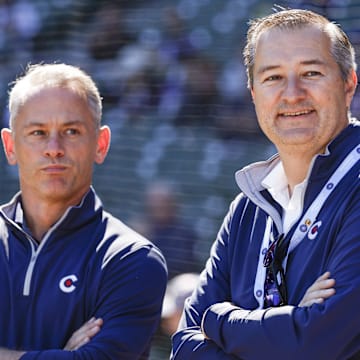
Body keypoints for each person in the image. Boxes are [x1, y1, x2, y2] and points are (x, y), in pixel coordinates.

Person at [171, 7, 360, 360]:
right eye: (273, 77)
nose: (292, 93)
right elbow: (183, 348)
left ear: (349, 83)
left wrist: (219, 320)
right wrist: (288, 326)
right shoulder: (247, 207)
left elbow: (318, 346)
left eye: (311, 73)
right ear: (253, 92)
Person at [0, 63, 167, 359]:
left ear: (100, 144)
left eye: (71, 131)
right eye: (38, 132)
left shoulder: (131, 259)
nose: (54, 148)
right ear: (10, 146)